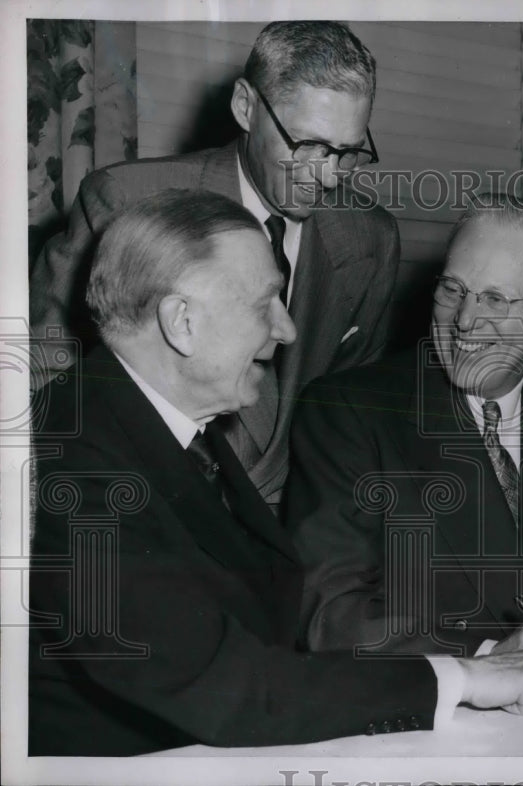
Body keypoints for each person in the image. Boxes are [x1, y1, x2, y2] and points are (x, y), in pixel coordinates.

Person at [28, 189, 523, 757]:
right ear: (182, 322)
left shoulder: (167, 433)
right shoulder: (73, 460)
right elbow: (228, 685)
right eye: (266, 304)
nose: (288, 331)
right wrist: (465, 676)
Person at [286, 196, 523, 681]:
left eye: (495, 299)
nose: (464, 320)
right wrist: (487, 653)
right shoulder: (349, 412)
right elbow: (327, 616)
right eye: (453, 289)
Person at [29, 21, 398, 505]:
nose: (328, 176)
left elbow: (350, 411)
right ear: (246, 106)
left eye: (347, 152)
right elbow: (40, 377)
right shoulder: (127, 201)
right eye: (307, 145)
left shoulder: (371, 238)